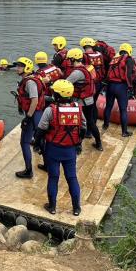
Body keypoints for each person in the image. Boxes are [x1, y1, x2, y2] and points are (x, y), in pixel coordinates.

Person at [33, 80, 86, 215]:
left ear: (57, 94)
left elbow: (41, 130)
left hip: (53, 149)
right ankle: (76, 208)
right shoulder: (77, 108)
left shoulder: (50, 110)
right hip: (70, 150)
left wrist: (37, 144)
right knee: (72, 177)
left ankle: (52, 207)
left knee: (53, 177)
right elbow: (83, 128)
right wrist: (78, 143)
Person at [12, 57, 46, 179]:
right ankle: (47, 165)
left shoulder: (30, 82)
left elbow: (35, 100)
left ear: (26, 68)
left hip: (33, 115)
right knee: (40, 140)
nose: (17, 68)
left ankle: (28, 170)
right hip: (37, 115)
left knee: (25, 142)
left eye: (20, 66)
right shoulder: (34, 78)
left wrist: (28, 117)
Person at [65, 48, 102, 151]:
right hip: (89, 100)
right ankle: (99, 143)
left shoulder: (76, 73)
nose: (68, 61)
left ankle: (78, 146)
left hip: (80, 102)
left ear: (73, 59)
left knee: (76, 123)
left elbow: (65, 84)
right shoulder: (88, 68)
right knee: (90, 122)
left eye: (69, 59)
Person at [103, 43, 136, 137]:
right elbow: (128, 75)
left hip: (111, 86)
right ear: (129, 51)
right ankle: (124, 132)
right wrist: (130, 87)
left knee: (108, 106)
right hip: (121, 87)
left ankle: (105, 125)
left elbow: (109, 73)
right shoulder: (129, 60)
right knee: (123, 110)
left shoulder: (115, 59)